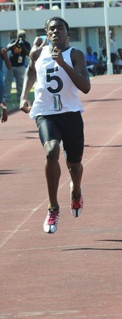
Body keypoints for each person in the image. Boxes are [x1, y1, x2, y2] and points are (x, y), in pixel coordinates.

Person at [20, 16, 91, 234]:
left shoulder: (75, 54)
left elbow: (85, 87)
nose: (55, 32)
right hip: (46, 113)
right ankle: (53, 207)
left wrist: (62, 64)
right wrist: (23, 95)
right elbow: (31, 70)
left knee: (74, 165)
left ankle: (76, 192)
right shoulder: (38, 53)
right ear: (46, 33)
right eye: (51, 29)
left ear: (67, 34)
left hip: (70, 114)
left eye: (60, 28)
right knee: (51, 152)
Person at [4, 31, 31, 104]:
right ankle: (7, 98)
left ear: (25, 37)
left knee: (20, 83)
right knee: (8, 82)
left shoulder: (26, 44)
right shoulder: (13, 41)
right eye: (19, 36)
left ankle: (20, 97)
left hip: (20, 66)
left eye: (22, 36)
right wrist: (16, 43)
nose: (21, 38)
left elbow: (28, 53)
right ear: (17, 36)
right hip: (11, 66)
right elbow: (7, 47)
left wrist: (23, 46)